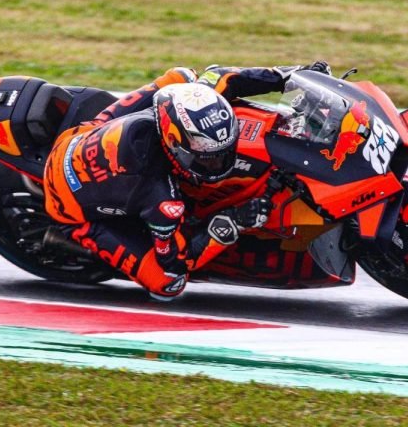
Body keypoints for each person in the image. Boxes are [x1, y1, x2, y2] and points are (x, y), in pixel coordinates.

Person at [43, 62, 331, 300]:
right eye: (208, 160)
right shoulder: (160, 199)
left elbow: (223, 76)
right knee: (169, 284)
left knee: (181, 77)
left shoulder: (182, 104)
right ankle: (67, 236)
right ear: (174, 144)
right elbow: (177, 260)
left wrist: (289, 76)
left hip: (84, 133)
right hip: (71, 203)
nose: (219, 165)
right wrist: (234, 220)